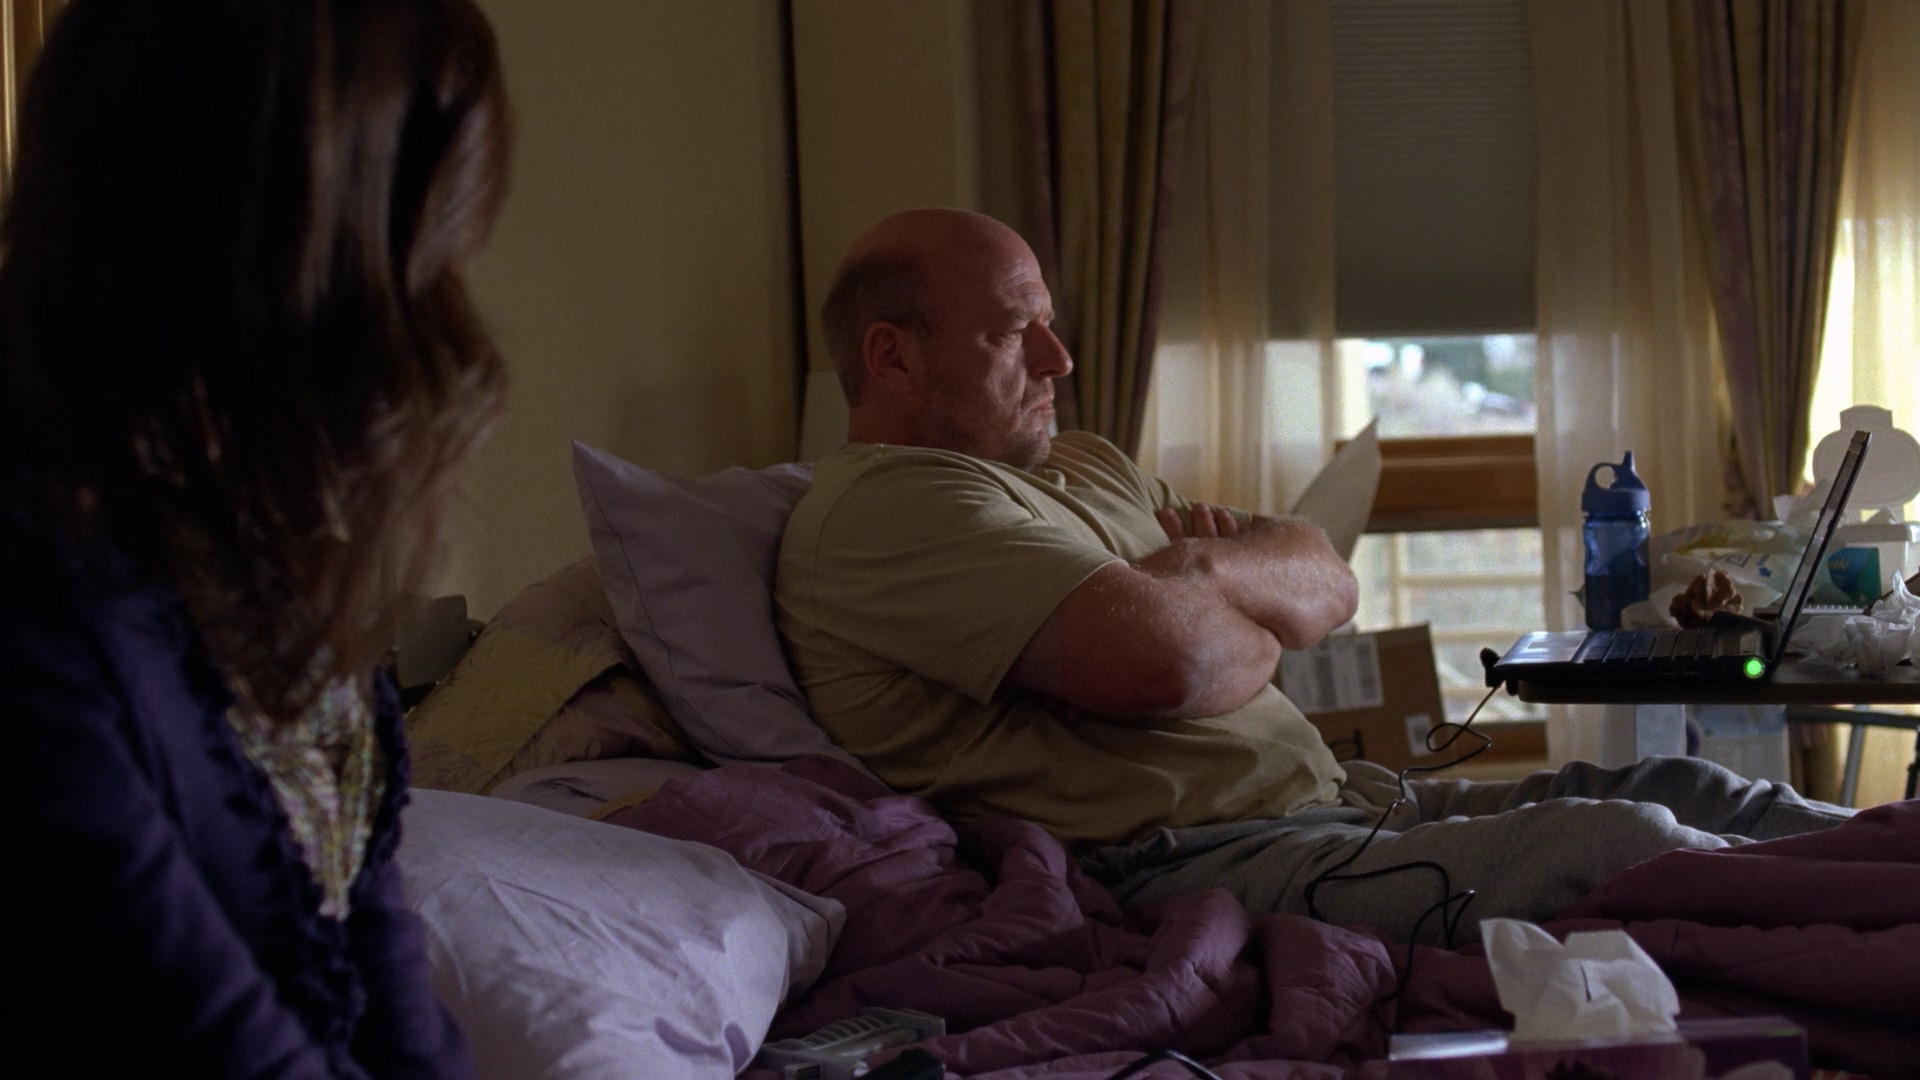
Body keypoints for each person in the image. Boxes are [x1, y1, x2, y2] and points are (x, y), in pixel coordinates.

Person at [773, 208, 1851, 944]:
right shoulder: (888, 510)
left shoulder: (1082, 463)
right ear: (892, 357)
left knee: (1696, 791)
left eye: (1050, 324)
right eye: (1016, 333)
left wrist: (1194, 568)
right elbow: (1174, 663)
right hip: (1193, 861)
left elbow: (1325, 579)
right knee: (1623, 846)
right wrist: (1228, 610)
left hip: (1348, 803)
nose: (1060, 359)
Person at [2, 0, 509, 1073]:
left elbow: (384, 975)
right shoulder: (45, 603)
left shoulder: (268, 569)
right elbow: (207, 1038)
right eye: (434, 264)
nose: (455, 321)